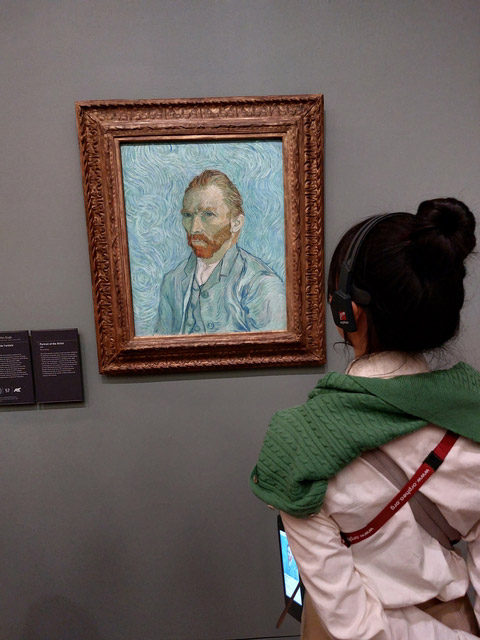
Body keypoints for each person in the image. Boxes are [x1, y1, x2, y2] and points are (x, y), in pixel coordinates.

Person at [251, 198, 480, 639]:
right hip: (453, 620)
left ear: (346, 310)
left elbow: (352, 622)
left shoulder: (297, 447)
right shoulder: (473, 415)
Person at [154, 169, 286, 335]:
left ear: (236, 223)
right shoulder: (172, 282)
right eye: (188, 215)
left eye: (208, 214)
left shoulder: (261, 284)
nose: (194, 228)